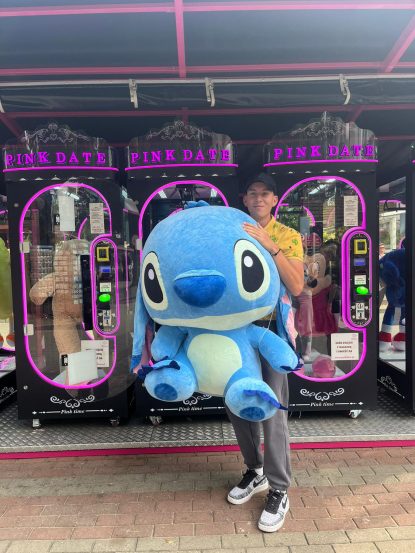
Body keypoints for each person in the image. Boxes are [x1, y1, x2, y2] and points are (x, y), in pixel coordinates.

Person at [226, 173, 304, 533]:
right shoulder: (233, 228)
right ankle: (254, 469)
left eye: (265, 193)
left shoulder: (288, 235)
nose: (258, 198)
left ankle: (279, 488)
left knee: (272, 412)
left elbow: (297, 285)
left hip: (272, 333)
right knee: (237, 405)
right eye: (252, 193)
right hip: (235, 333)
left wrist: (270, 245)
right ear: (244, 199)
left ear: (275, 199)